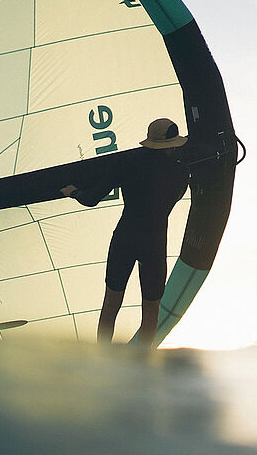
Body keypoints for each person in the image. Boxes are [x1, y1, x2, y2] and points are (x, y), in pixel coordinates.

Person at [61, 118, 190, 348]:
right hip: (155, 242)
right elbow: (174, 196)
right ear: (173, 144)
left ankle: (102, 356)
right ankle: (143, 361)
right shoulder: (181, 172)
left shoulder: (128, 163)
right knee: (151, 311)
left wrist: (74, 192)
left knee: (111, 302)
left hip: (126, 237)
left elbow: (91, 199)